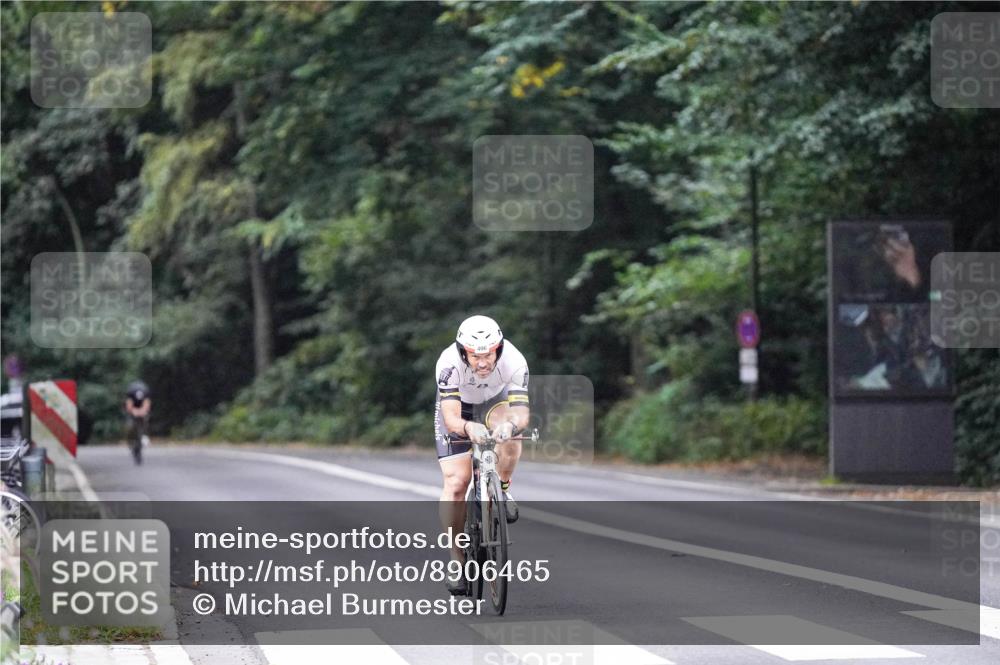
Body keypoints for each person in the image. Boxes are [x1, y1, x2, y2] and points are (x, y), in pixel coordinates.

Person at [434, 315, 529, 594]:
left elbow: (521, 412)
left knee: (510, 432)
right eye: (476, 356)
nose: (484, 362)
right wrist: (466, 427)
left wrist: (511, 425)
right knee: (456, 483)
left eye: (489, 354)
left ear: (498, 348)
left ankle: (502, 486)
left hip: (495, 403)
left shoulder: (515, 360)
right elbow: (450, 418)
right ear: (463, 351)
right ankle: (456, 559)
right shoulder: (448, 363)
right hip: (459, 409)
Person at [124, 380, 151, 451]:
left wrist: (142, 411)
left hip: (141, 408)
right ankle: (130, 439)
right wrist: (134, 411)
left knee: (145, 419)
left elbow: (147, 404)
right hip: (133, 408)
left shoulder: (145, 392)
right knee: (129, 426)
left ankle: (144, 435)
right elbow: (129, 406)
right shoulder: (131, 392)